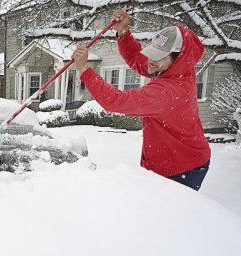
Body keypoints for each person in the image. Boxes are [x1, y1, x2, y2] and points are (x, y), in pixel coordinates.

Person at [72, 8, 211, 191]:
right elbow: (139, 60)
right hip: (180, 157)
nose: (151, 60)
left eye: (159, 56)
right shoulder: (176, 69)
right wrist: (123, 32)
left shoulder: (166, 92)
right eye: (153, 52)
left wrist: (85, 70)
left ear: (178, 57)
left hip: (181, 167)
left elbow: (115, 101)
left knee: (169, 214)